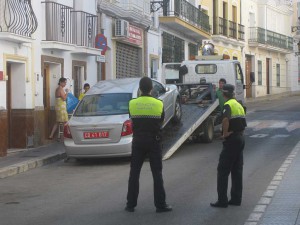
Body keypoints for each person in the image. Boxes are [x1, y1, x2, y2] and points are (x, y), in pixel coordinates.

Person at [125, 77, 172, 213]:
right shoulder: (158, 103)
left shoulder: (132, 103)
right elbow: (161, 121)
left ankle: (130, 205)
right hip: (154, 141)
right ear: (151, 89)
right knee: (157, 173)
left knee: (134, 173)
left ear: (140, 88)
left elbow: (131, 118)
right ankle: (160, 205)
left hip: (138, 141)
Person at [210, 84, 247, 208]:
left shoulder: (228, 105)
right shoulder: (239, 105)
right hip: (240, 138)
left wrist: (225, 133)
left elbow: (225, 119)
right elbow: (243, 124)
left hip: (231, 140)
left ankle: (222, 201)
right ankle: (236, 199)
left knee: (223, 170)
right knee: (237, 170)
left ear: (224, 94)